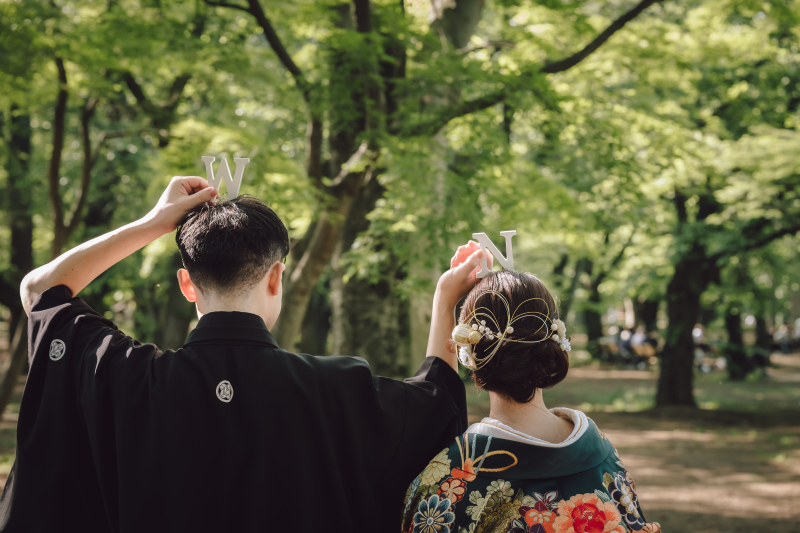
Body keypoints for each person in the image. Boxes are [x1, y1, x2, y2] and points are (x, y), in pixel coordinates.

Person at [0, 176, 487, 533]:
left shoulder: (130, 378)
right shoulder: (338, 389)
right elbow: (434, 406)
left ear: (186, 284)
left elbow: (40, 290)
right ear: (276, 277)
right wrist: (445, 302)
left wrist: (154, 223)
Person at [401, 267, 660, 533]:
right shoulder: (602, 454)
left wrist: (444, 301)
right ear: (554, 339)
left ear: (468, 350)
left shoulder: (449, 482)